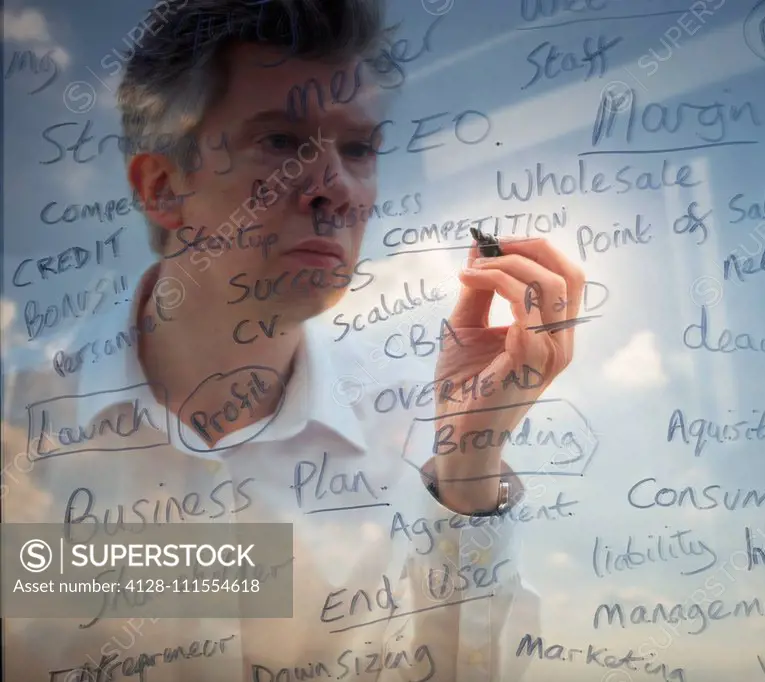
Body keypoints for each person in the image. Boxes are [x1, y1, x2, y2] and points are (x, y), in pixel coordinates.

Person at [3, 0, 586, 679]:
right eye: (280, 141)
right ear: (163, 186)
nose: (333, 189)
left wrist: (468, 470)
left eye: (359, 149)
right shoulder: (17, 425)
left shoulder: (414, 444)